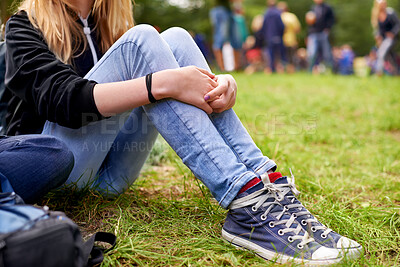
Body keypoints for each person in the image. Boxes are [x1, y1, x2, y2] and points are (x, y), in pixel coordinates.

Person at [5, 0, 362, 264]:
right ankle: (243, 198)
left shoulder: (108, 21)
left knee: (175, 38)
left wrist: (222, 83)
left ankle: (265, 182)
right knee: (142, 39)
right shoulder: (23, 25)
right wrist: (161, 83)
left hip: (112, 176)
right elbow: (61, 101)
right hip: (59, 165)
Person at [209, 0, 242, 71]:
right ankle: (222, 68)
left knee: (236, 40)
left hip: (229, 11)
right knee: (220, 39)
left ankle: (237, 67)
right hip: (220, 11)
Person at [371, 0, 400, 76]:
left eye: (384, 3)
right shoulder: (377, 15)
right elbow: (378, 29)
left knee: (381, 53)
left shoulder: (390, 12)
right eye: (381, 4)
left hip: (391, 38)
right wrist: (378, 36)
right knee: (390, 56)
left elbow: (398, 24)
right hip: (383, 39)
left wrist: (393, 33)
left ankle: (378, 72)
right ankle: (397, 73)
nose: (383, 5)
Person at [306, 0, 335, 74]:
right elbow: (309, 23)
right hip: (313, 33)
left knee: (326, 53)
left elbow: (332, 19)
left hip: (323, 33)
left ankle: (330, 70)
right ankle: (310, 70)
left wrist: (327, 28)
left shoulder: (327, 8)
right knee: (312, 53)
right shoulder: (313, 8)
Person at [261, 0, 286, 74]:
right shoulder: (278, 13)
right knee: (281, 55)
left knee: (271, 55)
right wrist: (281, 35)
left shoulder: (266, 13)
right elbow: (282, 26)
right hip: (278, 37)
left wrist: (265, 35)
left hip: (269, 37)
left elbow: (263, 27)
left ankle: (272, 69)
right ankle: (282, 69)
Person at [277, 1, 301, 73]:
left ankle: (280, 71)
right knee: (291, 57)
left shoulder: (278, 16)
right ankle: (290, 71)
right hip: (291, 40)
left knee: (280, 57)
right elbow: (297, 29)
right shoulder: (291, 16)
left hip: (280, 40)